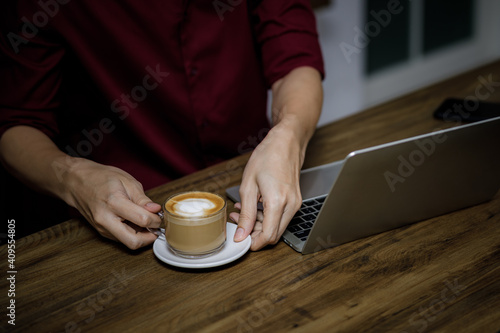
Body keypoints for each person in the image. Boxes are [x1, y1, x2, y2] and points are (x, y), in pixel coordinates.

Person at [0, 1, 324, 250]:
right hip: (125, 214)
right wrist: (72, 176)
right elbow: (16, 124)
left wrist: (289, 134)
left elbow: (295, 60)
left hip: (252, 179)